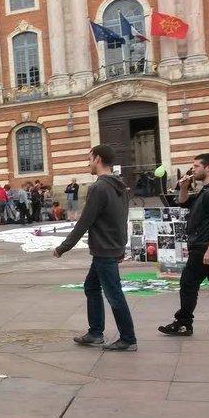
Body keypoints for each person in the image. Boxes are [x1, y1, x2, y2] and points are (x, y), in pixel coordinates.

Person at [53, 144, 136, 351]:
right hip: (109, 248)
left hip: (104, 250)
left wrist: (64, 247)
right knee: (91, 287)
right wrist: (121, 246)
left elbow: (84, 222)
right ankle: (95, 333)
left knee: (114, 294)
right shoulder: (120, 186)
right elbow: (122, 218)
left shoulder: (99, 188)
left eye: (89, 159)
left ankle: (128, 338)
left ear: (97, 159)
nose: (87, 163)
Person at [158, 153, 209, 337]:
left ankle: (183, 323)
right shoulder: (207, 190)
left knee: (188, 283)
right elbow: (184, 204)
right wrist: (184, 187)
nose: (193, 169)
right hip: (208, 246)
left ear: (208, 168)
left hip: (205, 247)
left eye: (196, 166)